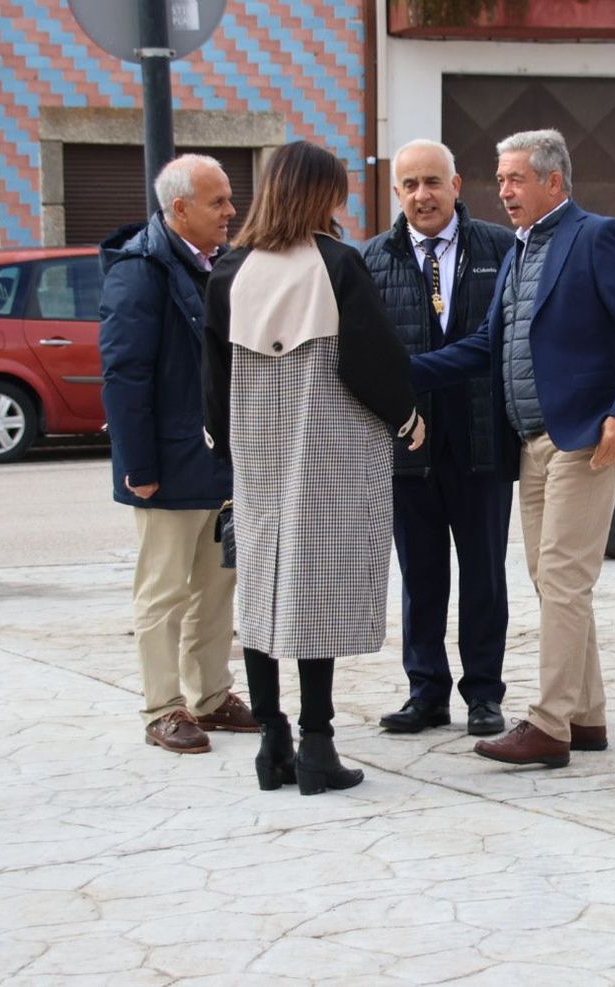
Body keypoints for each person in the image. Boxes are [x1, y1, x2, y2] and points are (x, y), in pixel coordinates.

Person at [410, 128, 615, 769]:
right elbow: (487, 346)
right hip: (530, 442)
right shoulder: (521, 251)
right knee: (553, 583)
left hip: (585, 438)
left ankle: (549, 724)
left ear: (554, 181)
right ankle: (587, 715)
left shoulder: (596, 236)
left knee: (563, 579)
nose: (503, 191)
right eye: (499, 179)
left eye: (515, 179)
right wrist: (405, 370)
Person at [202, 140, 425, 795]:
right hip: (326, 445)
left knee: (262, 592)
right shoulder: (336, 264)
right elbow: (372, 361)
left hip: (255, 453)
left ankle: (272, 741)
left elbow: (212, 377)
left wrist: (228, 448)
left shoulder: (229, 270)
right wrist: (408, 417)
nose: (344, 198)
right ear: (320, 192)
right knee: (316, 590)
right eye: (338, 188)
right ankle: (317, 742)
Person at [100, 153, 256, 756]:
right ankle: (163, 707)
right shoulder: (141, 270)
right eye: (218, 202)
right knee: (163, 591)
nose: (231, 211)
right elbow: (124, 373)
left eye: (229, 199)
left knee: (216, 588)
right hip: (164, 468)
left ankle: (212, 696)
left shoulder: (221, 264)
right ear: (181, 208)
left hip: (218, 461)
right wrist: (137, 466)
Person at [361, 139, 516, 738]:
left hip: (481, 441)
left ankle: (483, 694)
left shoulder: (501, 250)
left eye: (432, 182)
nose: (421, 195)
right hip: (407, 447)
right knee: (421, 576)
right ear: (396, 193)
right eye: (409, 186)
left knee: (484, 577)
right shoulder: (372, 259)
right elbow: (364, 353)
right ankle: (425, 691)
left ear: (457, 185)